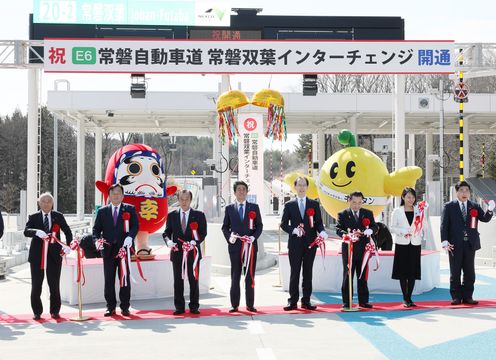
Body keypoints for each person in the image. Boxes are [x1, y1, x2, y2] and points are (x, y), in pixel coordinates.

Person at [441, 181, 494, 305]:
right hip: (454, 244)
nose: (464, 193)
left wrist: (490, 210)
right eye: (461, 190)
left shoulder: (474, 206)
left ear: (469, 192)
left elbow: (484, 218)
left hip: (470, 243)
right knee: (455, 271)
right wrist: (444, 240)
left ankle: (467, 296)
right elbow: (444, 225)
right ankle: (456, 297)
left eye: (467, 191)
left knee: (469, 271)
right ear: (456, 192)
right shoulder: (449, 206)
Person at [280, 176, 327, 311]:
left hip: (310, 244)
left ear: (307, 187)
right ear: (295, 187)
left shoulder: (314, 204)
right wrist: (293, 230)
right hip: (294, 244)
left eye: (304, 185)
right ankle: (292, 301)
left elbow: (318, 222)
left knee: (308, 273)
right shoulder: (289, 205)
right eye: (299, 185)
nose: (301, 187)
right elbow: (283, 224)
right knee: (295, 272)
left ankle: (306, 301)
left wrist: (322, 232)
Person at [23, 192, 72, 320]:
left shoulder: (58, 216)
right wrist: (36, 232)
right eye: (43, 201)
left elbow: (67, 231)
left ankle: (55, 311)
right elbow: (26, 231)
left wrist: (68, 246)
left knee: (54, 285)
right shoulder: (33, 217)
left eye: (49, 201)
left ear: (52, 203)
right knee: (36, 285)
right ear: (39, 203)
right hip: (37, 256)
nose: (46, 203)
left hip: (54, 256)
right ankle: (37, 312)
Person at [93, 183, 139, 316]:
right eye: (113, 193)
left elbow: (135, 226)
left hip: (124, 250)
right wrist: (96, 241)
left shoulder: (129, 209)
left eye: (119, 193)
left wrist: (130, 237)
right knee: (109, 279)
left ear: (123, 196)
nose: (116, 195)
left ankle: (125, 306)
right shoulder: (102, 211)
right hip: (108, 251)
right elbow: (96, 229)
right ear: (109, 195)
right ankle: (110, 306)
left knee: (124, 278)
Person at [163, 190, 207, 315]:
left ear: (190, 200)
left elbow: (203, 233)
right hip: (177, 253)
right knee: (178, 280)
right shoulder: (172, 215)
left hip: (193, 253)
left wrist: (195, 242)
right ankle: (179, 307)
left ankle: (194, 306)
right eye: (181, 199)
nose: (184, 202)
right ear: (178, 200)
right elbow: (166, 233)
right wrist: (169, 242)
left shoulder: (199, 215)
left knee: (193, 280)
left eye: (186, 199)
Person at [222, 180, 263, 313]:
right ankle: (234, 305)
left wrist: (253, 237)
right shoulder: (229, 209)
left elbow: (259, 226)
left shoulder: (254, 207)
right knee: (235, 276)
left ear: (246, 192)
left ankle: (250, 304)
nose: (241, 191)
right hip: (235, 248)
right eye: (239, 189)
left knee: (250, 275)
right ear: (234, 192)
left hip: (250, 247)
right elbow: (225, 227)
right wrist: (230, 237)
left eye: (244, 189)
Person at [335, 191, 377, 309]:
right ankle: (347, 301)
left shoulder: (367, 213)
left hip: (364, 249)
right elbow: (338, 228)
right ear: (349, 201)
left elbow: (375, 226)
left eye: (359, 203)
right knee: (348, 275)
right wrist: (346, 235)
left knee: (362, 275)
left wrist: (371, 231)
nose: (356, 205)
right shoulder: (343, 214)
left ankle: (363, 301)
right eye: (354, 202)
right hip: (349, 249)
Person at [390, 187, 422, 307]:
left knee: (412, 272)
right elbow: (392, 227)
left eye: (413, 197)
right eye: (408, 197)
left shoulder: (419, 210)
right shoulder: (397, 211)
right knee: (403, 272)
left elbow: (423, 225)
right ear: (403, 197)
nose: (411, 199)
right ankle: (405, 297)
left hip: (415, 243)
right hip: (402, 244)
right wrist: (403, 231)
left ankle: (409, 298)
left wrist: (422, 218)